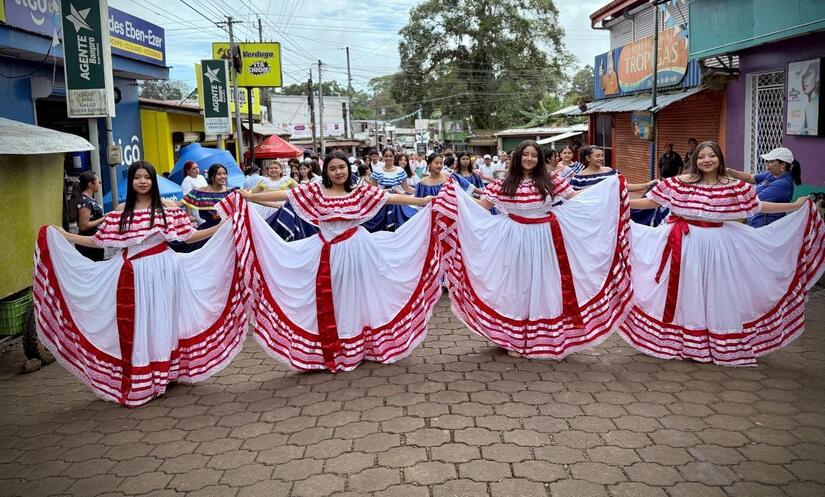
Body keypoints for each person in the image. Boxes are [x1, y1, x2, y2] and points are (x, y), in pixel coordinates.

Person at [33, 161, 246, 406]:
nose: (142, 181)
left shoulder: (167, 208)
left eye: (147, 177)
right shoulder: (122, 210)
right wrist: (66, 236)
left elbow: (191, 236)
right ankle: (146, 374)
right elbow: (99, 240)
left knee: (165, 320)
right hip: (134, 273)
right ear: (132, 181)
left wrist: (224, 225)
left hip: (166, 269)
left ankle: (167, 372)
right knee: (141, 323)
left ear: (153, 181)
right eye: (137, 177)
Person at [619, 141, 824, 366]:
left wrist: (794, 207)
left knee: (717, 292)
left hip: (719, 245)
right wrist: (620, 204)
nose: (706, 160)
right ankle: (684, 341)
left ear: (720, 159)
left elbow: (758, 206)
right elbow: (652, 202)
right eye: (701, 157)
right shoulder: (679, 183)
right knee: (689, 291)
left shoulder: (734, 186)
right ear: (695, 161)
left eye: (712, 156)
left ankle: (714, 341)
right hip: (685, 243)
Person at [233, 151, 440, 372]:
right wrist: (250, 197)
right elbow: (285, 196)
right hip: (326, 252)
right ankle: (336, 346)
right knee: (335, 298)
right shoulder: (315, 190)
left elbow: (389, 197)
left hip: (358, 250)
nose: (338, 172)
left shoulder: (359, 191)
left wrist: (420, 200)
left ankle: (362, 346)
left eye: (341, 167)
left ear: (348, 169)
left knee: (358, 295)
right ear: (326, 171)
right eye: (333, 168)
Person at [433, 140, 633, 359]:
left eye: (534, 155)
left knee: (544, 285)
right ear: (517, 157)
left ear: (539, 159)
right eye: (525, 154)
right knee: (516, 287)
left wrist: (610, 192)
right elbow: (482, 207)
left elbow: (576, 200)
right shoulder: (503, 183)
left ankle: (545, 338)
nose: (529, 159)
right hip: (512, 239)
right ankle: (514, 338)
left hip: (545, 239)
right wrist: (454, 199)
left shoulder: (551, 180)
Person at [726, 147, 803, 227]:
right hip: (755, 222)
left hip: (766, 225)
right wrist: (732, 172)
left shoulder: (783, 184)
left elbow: (754, 200)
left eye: (771, 162)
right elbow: (750, 178)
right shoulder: (771, 174)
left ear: (783, 165)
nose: (767, 164)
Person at [363, 148, 417, 232]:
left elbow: (406, 187)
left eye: (390, 156)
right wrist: (383, 192)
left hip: (397, 200)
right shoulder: (377, 171)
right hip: (382, 202)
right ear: (383, 157)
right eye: (386, 156)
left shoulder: (400, 171)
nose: (388, 158)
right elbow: (374, 190)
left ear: (394, 157)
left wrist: (418, 192)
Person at [570, 146, 657, 192]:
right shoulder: (579, 178)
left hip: (613, 213)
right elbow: (573, 198)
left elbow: (624, 187)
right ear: (588, 158)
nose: (601, 158)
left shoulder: (611, 172)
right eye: (597, 156)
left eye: (602, 156)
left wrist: (646, 185)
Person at [70, 172, 105, 261]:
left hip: (94, 241)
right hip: (87, 243)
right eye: (98, 182)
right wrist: (103, 218)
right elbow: (83, 226)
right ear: (90, 184)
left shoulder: (89, 200)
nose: (99, 184)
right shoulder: (84, 202)